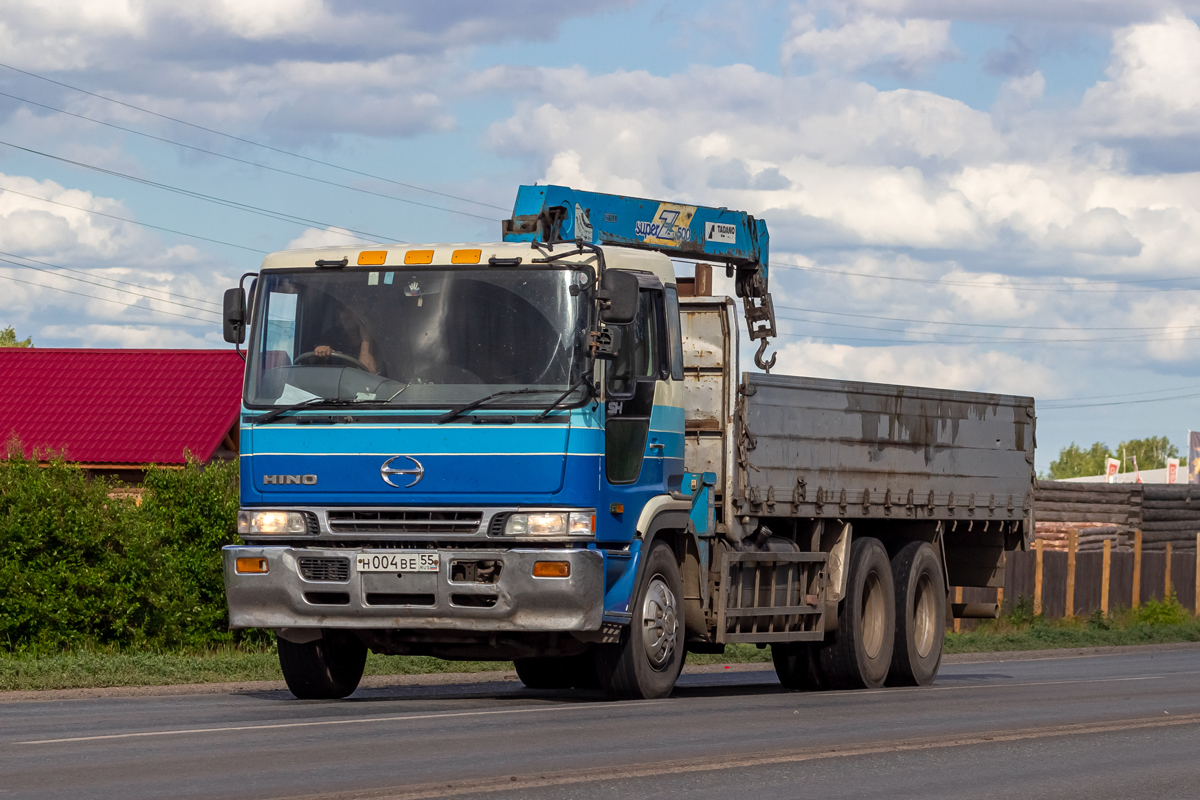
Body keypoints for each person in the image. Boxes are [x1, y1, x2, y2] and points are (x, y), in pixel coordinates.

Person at [311, 303, 378, 373]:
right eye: (342, 310)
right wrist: (322, 353)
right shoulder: (331, 336)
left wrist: (366, 340)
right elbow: (311, 364)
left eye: (351, 310)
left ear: (363, 316)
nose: (345, 315)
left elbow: (368, 378)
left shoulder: (377, 343)